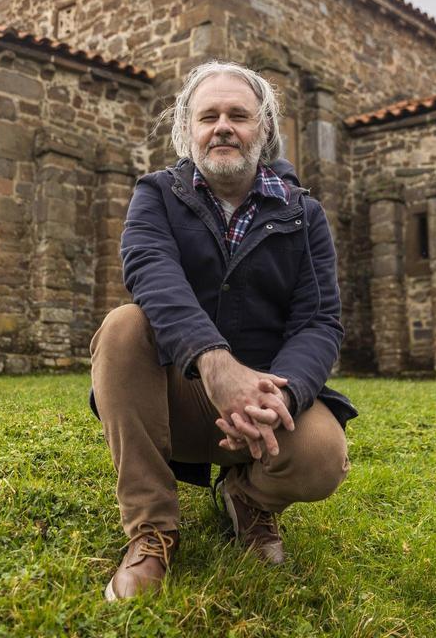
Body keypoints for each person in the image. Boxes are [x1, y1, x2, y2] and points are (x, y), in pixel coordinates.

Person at [89, 60, 357, 601]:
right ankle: (152, 531)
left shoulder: (304, 215)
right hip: (179, 395)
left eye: (239, 114)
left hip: (265, 402)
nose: (223, 126)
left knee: (324, 457)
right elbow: (150, 273)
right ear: (187, 130)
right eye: (208, 116)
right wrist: (213, 361)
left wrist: (277, 394)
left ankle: (249, 500)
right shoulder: (157, 194)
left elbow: (319, 320)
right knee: (124, 326)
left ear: (264, 128)